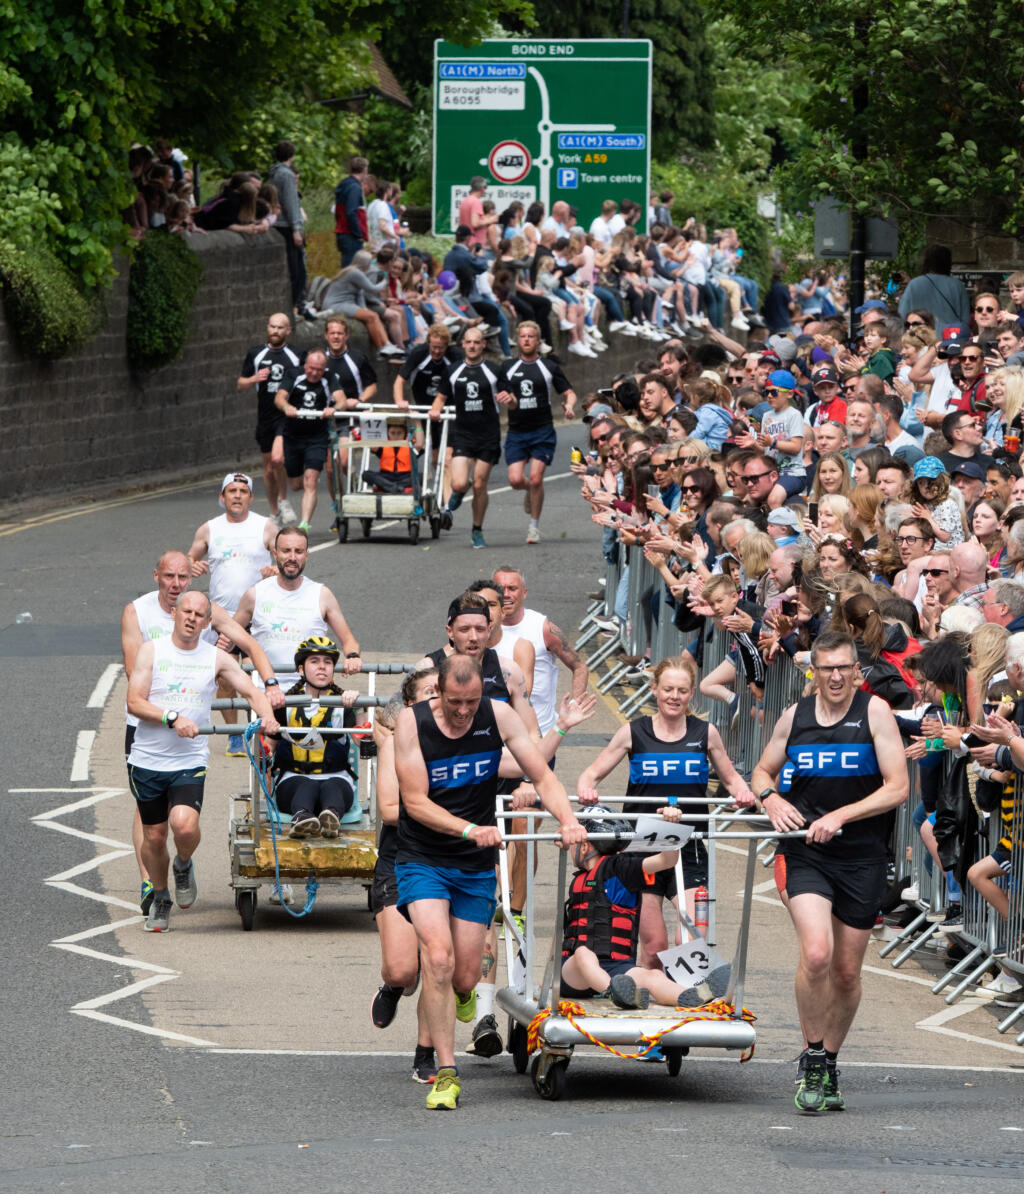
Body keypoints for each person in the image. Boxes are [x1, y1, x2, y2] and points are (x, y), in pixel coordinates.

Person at [393, 653, 586, 1109]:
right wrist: (467, 828)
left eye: (472, 702)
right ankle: (445, 1071)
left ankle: (455, 994)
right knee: (436, 959)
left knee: (463, 973)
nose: (463, 712)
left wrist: (568, 820)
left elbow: (540, 773)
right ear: (438, 691)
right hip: (424, 856)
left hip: (474, 864)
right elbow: (415, 801)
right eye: (455, 702)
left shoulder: (497, 716)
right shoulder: (411, 723)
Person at [751, 631, 909, 1114]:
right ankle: (813, 1056)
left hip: (862, 855)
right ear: (813, 673)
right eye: (827, 669)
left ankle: (831, 1061)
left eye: (844, 668)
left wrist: (842, 815)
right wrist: (772, 797)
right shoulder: (793, 718)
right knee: (817, 953)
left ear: (856, 671)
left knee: (845, 971)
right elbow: (760, 772)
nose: (836, 677)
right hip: (805, 853)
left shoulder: (875, 712)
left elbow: (897, 787)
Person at [577, 656, 755, 968]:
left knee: (690, 937)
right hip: (643, 849)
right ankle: (651, 1005)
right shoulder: (634, 733)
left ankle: (690, 999)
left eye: (682, 691)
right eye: (668, 689)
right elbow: (589, 775)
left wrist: (743, 791)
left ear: (691, 695)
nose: (675, 697)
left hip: (690, 844)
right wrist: (587, 789)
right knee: (654, 946)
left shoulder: (706, 733)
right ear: (655, 689)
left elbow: (730, 777)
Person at [127, 591, 281, 932]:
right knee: (153, 838)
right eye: (187, 611)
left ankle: (183, 863)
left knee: (183, 825)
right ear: (175, 614)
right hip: (148, 759)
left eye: (199, 613)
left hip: (188, 758)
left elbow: (252, 692)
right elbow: (135, 701)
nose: (192, 618)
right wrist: (171, 717)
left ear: (208, 621)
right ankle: (162, 897)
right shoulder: (152, 652)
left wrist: (267, 715)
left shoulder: (215, 658)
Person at [561, 805, 698, 1009]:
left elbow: (666, 860)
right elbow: (560, 836)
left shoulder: (621, 869)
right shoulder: (580, 877)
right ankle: (615, 993)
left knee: (653, 976)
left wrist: (671, 827)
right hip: (574, 974)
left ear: (585, 846)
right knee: (583, 953)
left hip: (617, 967)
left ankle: (699, 998)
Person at [186, 473, 278, 755]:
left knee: (254, 674)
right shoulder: (209, 529)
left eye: (243, 491)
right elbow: (188, 559)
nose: (237, 495)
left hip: (258, 615)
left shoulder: (266, 526)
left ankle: (261, 729)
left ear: (251, 497)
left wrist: (273, 570)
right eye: (231, 491)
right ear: (222, 497)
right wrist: (193, 566)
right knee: (224, 677)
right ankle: (235, 736)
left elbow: (285, 559)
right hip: (222, 617)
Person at [233, 526, 361, 687]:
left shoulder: (322, 594)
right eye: (286, 551)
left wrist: (353, 656)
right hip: (266, 692)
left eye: (298, 551)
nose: (292, 557)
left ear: (306, 555)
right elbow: (228, 637)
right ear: (275, 553)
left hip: (309, 693)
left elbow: (349, 641)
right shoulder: (255, 594)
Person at [498, 321, 578, 544]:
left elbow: (569, 392)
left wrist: (570, 406)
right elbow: (507, 398)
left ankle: (533, 527)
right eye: (522, 336)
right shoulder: (508, 367)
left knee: (535, 479)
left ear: (537, 340)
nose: (526, 340)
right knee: (515, 480)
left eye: (530, 336)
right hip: (516, 431)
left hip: (542, 430)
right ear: (518, 339)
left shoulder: (549, 367)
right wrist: (509, 400)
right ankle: (530, 492)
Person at [273, 637, 359, 838]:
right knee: (307, 785)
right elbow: (266, 747)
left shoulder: (341, 704)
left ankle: (331, 819)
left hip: (335, 778)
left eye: (327, 662)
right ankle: (302, 818)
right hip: (293, 780)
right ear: (301, 669)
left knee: (332, 786)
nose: (322, 667)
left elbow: (362, 741)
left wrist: (357, 706)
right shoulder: (286, 704)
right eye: (314, 661)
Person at [493, 565, 590, 736]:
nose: (506, 594)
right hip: (495, 733)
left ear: (524, 592)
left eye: (512, 588)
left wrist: (575, 704)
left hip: (539, 733)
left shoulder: (542, 628)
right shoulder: (481, 628)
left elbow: (579, 667)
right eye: (500, 589)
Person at [433, 327, 505, 548]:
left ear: (483, 345)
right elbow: (441, 398)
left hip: (488, 436)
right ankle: (458, 492)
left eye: (477, 342)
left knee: (480, 484)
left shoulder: (494, 370)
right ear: (462, 344)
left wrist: (509, 399)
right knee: (459, 482)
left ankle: (476, 530)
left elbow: (510, 399)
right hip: (462, 434)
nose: (473, 346)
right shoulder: (453, 371)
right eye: (469, 342)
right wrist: (435, 410)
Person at [237, 313, 304, 525]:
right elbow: (241, 383)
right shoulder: (256, 354)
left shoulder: (296, 355)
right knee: (268, 469)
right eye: (272, 327)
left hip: (285, 416)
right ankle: (274, 511)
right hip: (264, 416)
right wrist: (254, 378)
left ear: (288, 331)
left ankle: (284, 501)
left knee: (277, 460)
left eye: (280, 328)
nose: (275, 331)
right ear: (268, 328)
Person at [274, 350, 339, 531]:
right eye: (311, 368)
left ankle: (304, 525)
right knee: (296, 485)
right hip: (293, 436)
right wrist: (287, 406)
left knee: (310, 481)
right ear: (305, 366)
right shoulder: (293, 375)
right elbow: (279, 397)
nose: (315, 373)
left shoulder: (329, 378)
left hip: (316, 437)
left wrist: (334, 408)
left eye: (319, 370)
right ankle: (306, 480)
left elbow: (341, 399)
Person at [267, 140, 313, 320]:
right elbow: (291, 203)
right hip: (287, 226)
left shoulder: (274, 173)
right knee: (298, 272)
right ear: (292, 155)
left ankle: (294, 306)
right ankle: (293, 307)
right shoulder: (286, 175)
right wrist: (296, 228)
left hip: (280, 224)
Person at [334, 154, 369, 266]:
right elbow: (351, 212)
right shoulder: (354, 187)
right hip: (350, 235)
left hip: (343, 232)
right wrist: (358, 233)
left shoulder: (345, 184)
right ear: (364, 170)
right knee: (350, 270)